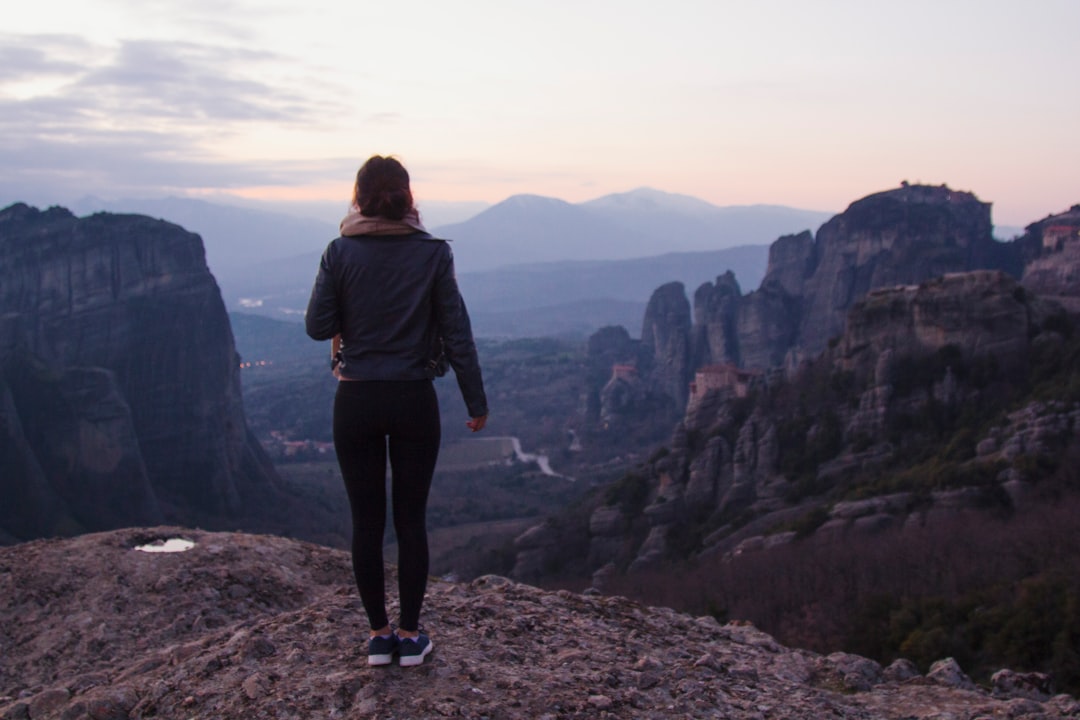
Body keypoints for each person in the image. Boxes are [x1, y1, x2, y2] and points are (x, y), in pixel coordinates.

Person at [305, 155, 488, 668]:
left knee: (366, 523)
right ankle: (411, 635)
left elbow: (318, 327)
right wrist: (476, 401)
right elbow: (457, 333)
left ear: (358, 199)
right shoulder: (432, 254)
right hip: (413, 400)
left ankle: (378, 636)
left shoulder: (338, 252)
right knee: (411, 521)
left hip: (356, 399)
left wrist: (353, 305)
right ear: (410, 199)